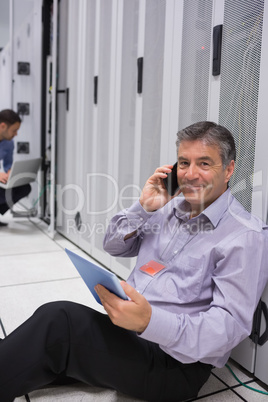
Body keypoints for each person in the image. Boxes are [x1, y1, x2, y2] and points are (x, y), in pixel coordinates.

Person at [0, 121, 267, 402]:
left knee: (59, 323)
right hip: (131, 335)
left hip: (175, 365)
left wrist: (150, 321)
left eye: (204, 163)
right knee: (40, 342)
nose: (190, 174)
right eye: (183, 163)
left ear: (228, 169)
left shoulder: (245, 235)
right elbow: (113, 245)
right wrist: (143, 207)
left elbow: (228, 328)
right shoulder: (169, 206)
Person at [0, 109, 31, 226]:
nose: (16, 134)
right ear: (3, 126)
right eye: (14, 130)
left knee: (24, 187)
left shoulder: (8, 143)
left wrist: (10, 173)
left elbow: (8, 164)